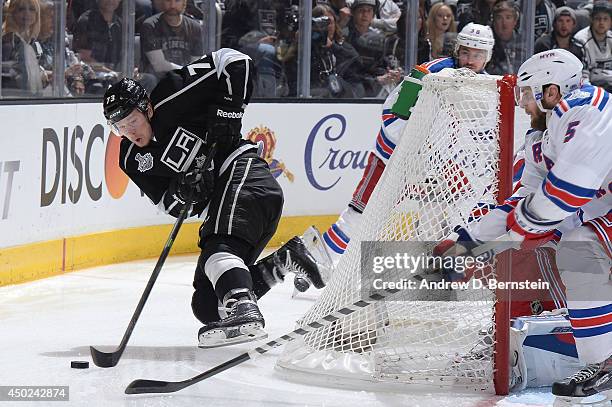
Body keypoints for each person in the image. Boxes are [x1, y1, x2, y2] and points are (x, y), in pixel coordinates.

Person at [102, 48, 325, 348]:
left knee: (216, 250)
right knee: (207, 305)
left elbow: (235, 61)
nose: (128, 132)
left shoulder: (171, 95)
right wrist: (183, 192)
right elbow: (169, 205)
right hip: (230, 202)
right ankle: (283, 261)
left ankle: (245, 309)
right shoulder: (130, 158)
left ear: (147, 108)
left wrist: (228, 114)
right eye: (119, 127)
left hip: (245, 175)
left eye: (131, 121)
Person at [437, 48, 611, 404]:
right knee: (569, 241)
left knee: (577, 243)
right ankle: (600, 359)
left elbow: (568, 192)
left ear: (552, 91)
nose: (521, 105)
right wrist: (464, 242)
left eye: (527, 94)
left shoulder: (590, 110)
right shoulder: (542, 138)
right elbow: (522, 200)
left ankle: (602, 364)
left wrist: (528, 226)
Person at [288, 24, 495, 288]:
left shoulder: (488, 86)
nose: (470, 61)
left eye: (477, 55)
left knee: (456, 215)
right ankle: (317, 261)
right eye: (466, 53)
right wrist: (413, 149)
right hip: (394, 158)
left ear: (487, 56)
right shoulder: (427, 73)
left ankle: (444, 271)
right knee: (360, 213)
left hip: (442, 165)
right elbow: (392, 114)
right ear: (457, 50)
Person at [140, 0, 203, 80]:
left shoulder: (195, 27)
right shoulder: (150, 25)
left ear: (184, 3)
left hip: (185, 80)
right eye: (168, 0)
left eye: (177, 1)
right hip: (158, 81)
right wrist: (185, 71)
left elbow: (196, 62)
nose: (172, 5)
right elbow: (159, 65)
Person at [72, 0, 122, 94]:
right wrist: (112, 72)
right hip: (91, 76)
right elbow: (84, 59)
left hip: (115, 74)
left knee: (148, 79)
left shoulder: (120, 24)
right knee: (99, 88)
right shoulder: (86, 21)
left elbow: (125, 55)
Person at [1, 0, 45, 96]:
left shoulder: (28, 43)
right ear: (12, 13)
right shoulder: (7, 42)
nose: (27, 13)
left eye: (32, 9)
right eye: (21, 9)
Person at [574, 1, 612, 92]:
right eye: (598, 18)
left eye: (605, 19)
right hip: (591, 89)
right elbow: (582, 78)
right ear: (591, 19)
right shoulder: (580, 40)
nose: (601, 22)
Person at [486, 0, 525, 75]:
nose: (504, 23)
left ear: (515, 21)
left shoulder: (523, 43)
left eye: (508, 17)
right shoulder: (487, 43)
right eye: (499, 18)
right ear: (493, 21)